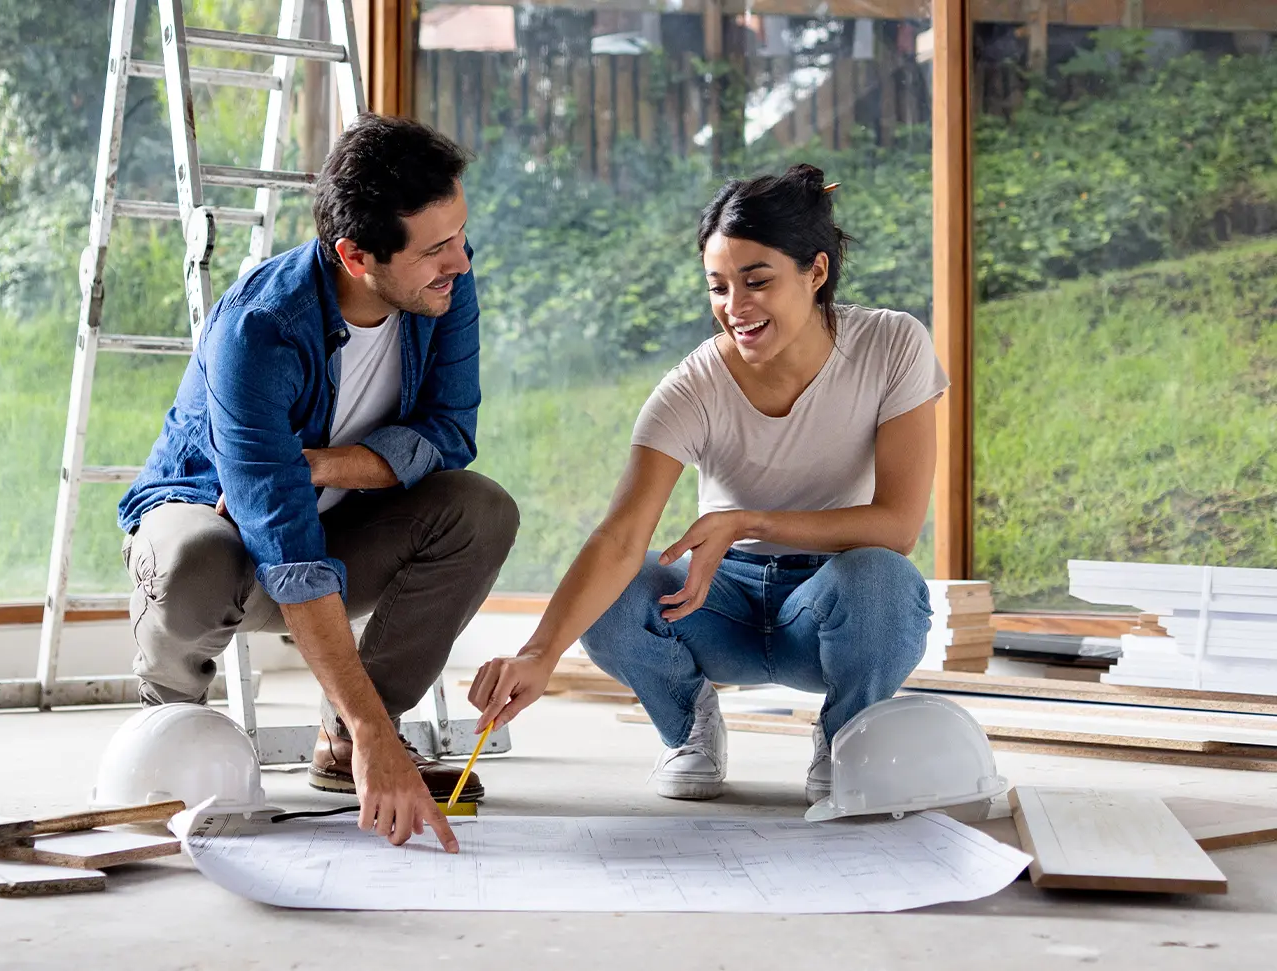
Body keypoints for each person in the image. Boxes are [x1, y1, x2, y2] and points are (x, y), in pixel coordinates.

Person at [468, 163, 945, 803]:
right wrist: (539, 654)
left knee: (883, 579)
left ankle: (842, 740)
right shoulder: (691, 389)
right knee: (620, 587)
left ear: (817, 272)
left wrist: (747, 521)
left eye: (757, 282)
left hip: (836, 608)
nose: (734, 308)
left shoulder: (892, 345)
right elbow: (618, 537)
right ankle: (687, 726)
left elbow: (897, 526)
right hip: (718, 607)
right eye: (717, 287)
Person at [117, 115, 520, 850]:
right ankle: (165, 726)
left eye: (459, 235)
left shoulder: (442, 284)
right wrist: (382, 736)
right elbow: (286, 545)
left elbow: (450, 433)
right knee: (192, 560)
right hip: (222, 533)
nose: (459, 261)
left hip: (337, 521)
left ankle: (346, 744)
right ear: (355, 254)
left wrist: (321, 463)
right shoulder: (260, 330)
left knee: (480, 510)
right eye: (436, 249)